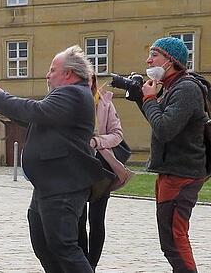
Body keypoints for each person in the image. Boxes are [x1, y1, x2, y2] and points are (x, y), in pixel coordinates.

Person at [0, 45, 112, 273]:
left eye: (52, 70)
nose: (48, 75)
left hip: (63, 185)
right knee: (43, 241)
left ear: (68, 73)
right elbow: (34, 117)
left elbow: (35, 111)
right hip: (50, 183)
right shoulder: (68, 95)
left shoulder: (73, 93)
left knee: (63, 246)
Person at [140, 37, 207, 273]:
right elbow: (161, 124)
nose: (149, 60)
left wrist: (149, 99)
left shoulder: (186, 88)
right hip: (172, 172)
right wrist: (147, 99)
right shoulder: (172, 87)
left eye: (154, 54)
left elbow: (165, 129)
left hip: (182, 173)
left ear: (171, 61)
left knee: (175, 240)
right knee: (170, 241)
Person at [78, 73, 134, 270]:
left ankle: (91, 266)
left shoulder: (105, 103)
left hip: (102, 167)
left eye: (88, 79)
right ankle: (82, 263)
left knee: (96, 219)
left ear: (93, 80)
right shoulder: (69, 101)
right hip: (76, 166)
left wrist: (96, 141)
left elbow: (117, 135)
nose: (85, 84)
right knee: (78, 219)